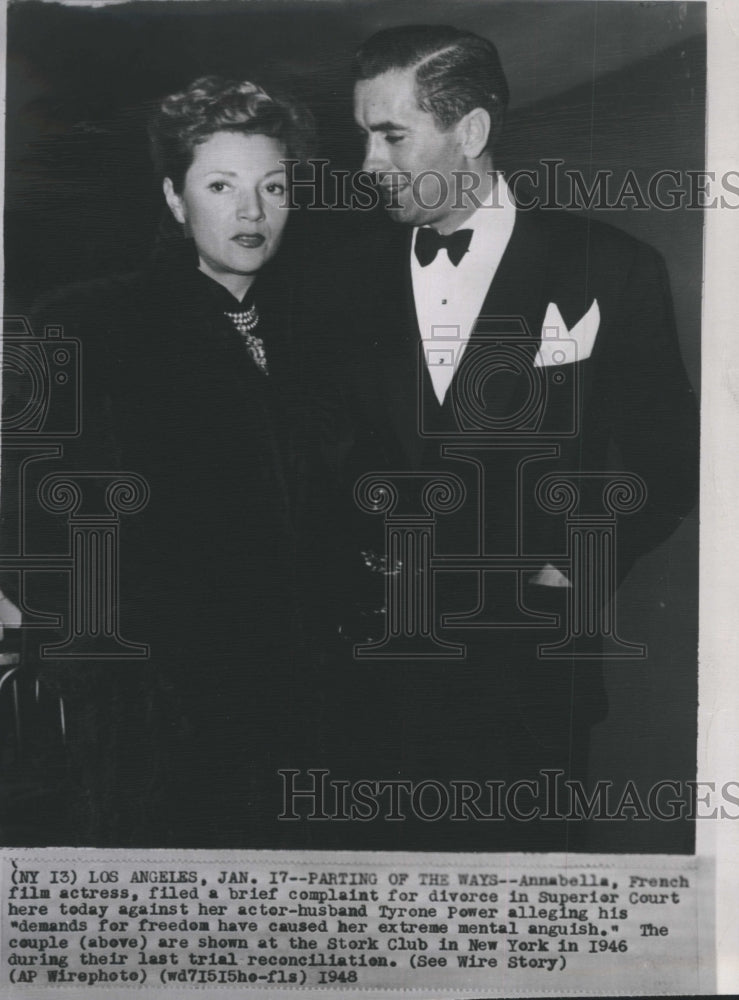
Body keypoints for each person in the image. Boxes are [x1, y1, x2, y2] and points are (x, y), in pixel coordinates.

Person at [309, 24, 699, 851]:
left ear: (472, 133)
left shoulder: (610, 268)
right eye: (363, 137)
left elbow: (667, 467)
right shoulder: (335, 282)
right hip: (370, 689)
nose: (369, 164)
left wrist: (571, 565)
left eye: (390, 136)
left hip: (527, 686)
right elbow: (316, 465)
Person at [2, 76, 322, 846]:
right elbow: (28, 516)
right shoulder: (88, 320)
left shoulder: (327, 326)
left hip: (311, 709)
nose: (251, 211)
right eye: (221, 186)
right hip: (153, 719)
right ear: (176, 200)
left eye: (272, 186)